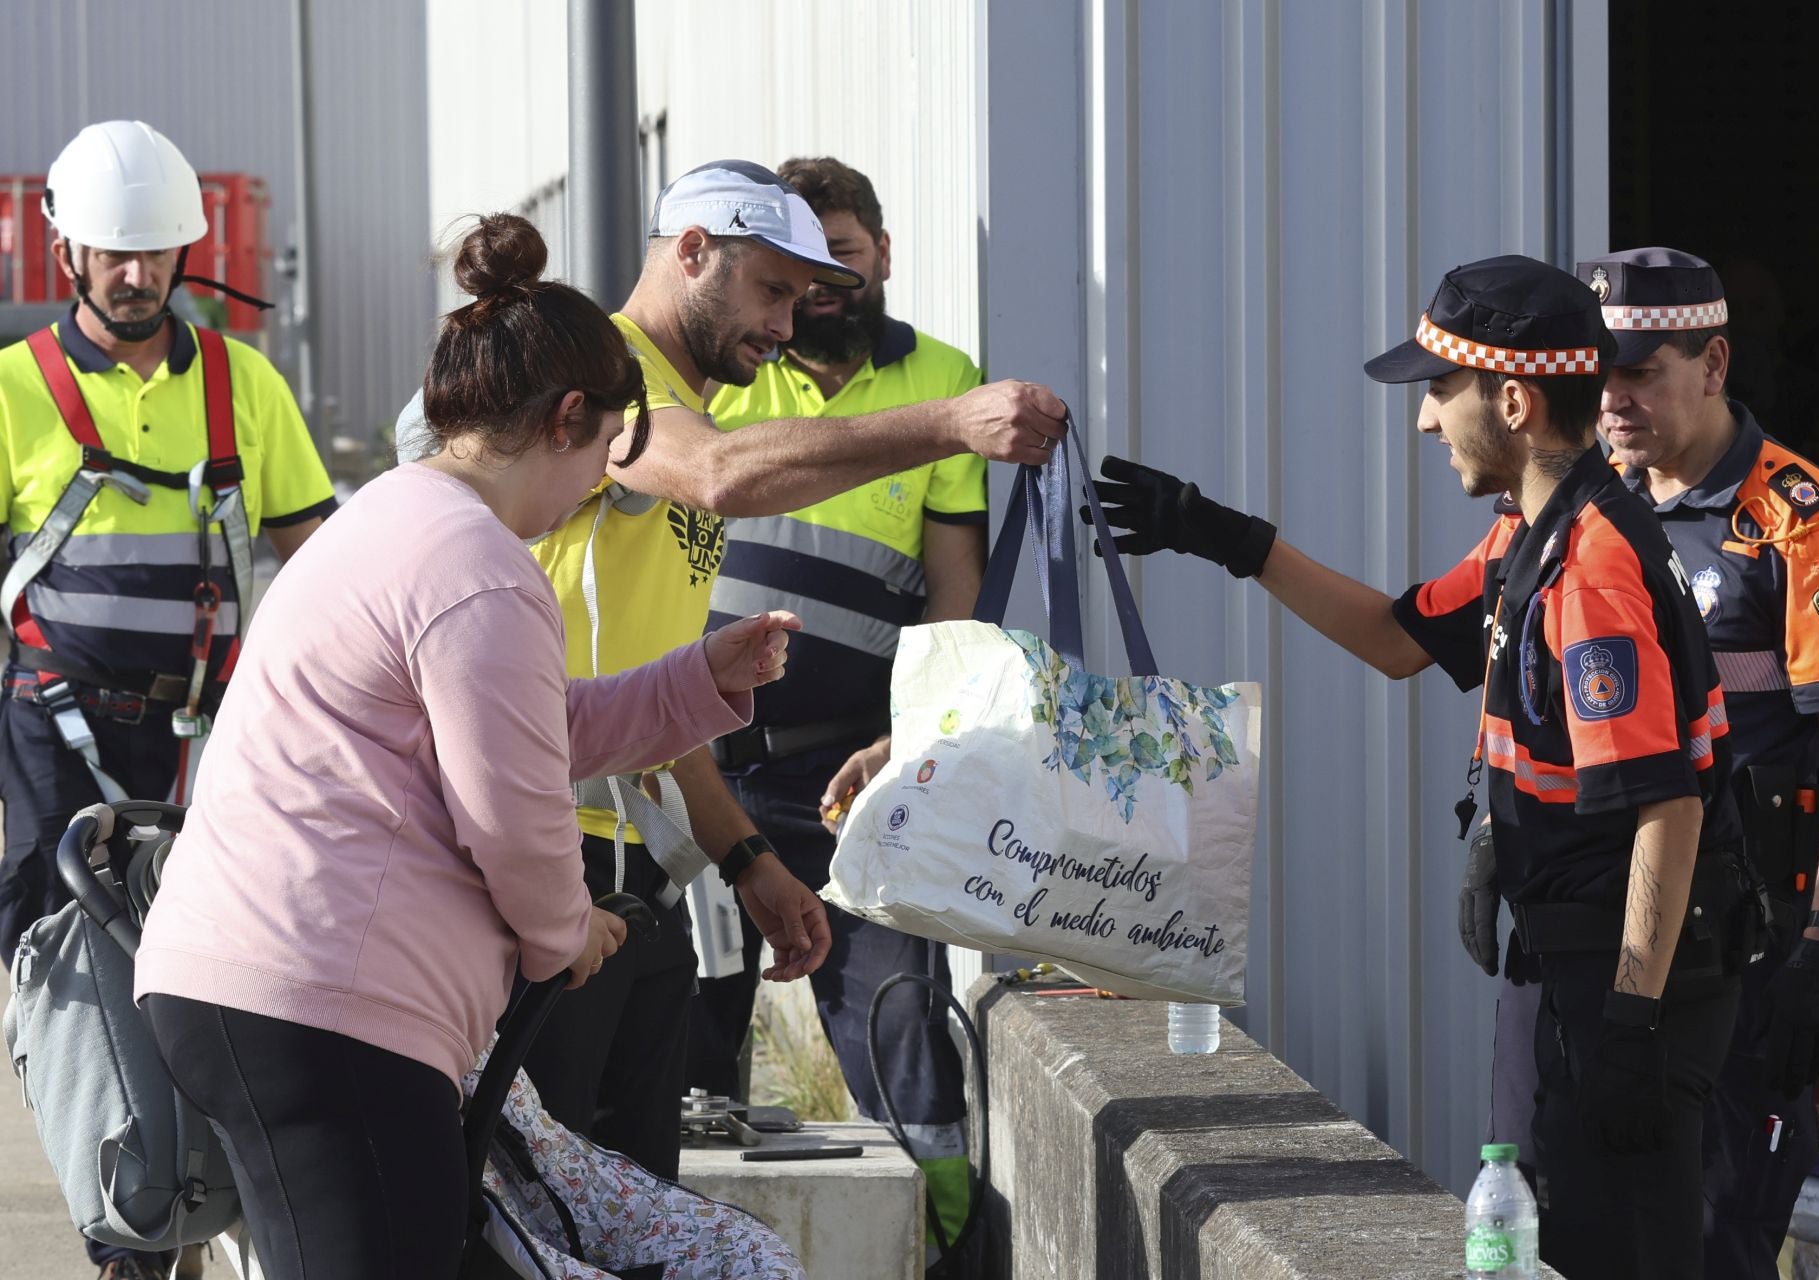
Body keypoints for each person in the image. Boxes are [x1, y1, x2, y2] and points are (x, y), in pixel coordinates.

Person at [133, 214, 798, 1279]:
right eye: (603, 456)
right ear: (568, 418)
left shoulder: (394, 516)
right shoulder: (478, 566)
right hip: (320, 999)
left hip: (263, 981)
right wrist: (563, 927)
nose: (594, 487)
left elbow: (532, 728)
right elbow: (514, 811)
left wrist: (695, 680)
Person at [392, 158, 1065, 1184]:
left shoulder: (679, 397)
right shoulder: (595, 375)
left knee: (634, 1198)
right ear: (693, 252)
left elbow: (650, 692)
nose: (789, 326)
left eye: (803, 298)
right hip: (534, 857)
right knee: (539, 1204)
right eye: (773, 291)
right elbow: (717, 472)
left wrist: (746, 857)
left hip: (635, 870)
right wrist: (945, 421)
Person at [1089, 255, 1752, 1280]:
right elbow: (1402, 637)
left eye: (1440, 390)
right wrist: (1230, 539)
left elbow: (1665, 805)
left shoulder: (1592, 570)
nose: (1425, 420)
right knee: (1534, 1231)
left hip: (1628, 979)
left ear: (1516, 399)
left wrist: (1629, 1021)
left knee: (1615, 1245)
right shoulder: (1533, 531)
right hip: (1571, 959)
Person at [1475, 248, 1819, 1277]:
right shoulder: (1575, 499)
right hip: (1595, 936)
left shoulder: (1795, 517)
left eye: (1641, 372)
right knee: (1557, 1212)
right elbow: (1499, 665)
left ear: (1714, 362)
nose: (1613, 399)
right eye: (1600, 373)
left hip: (1735, 944)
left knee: (1714, 1231)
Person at [0, 120, 335, 1280]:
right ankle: (123, 1223)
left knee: (214, 957)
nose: (136, 277)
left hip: (208, 723)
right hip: (56, 723)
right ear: (67, 256)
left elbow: (320, 555)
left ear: (186, 253)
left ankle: (194, 1188)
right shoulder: (12, 391)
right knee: (78, 965)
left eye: (154, 254)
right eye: (112, 255)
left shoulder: (245, 385)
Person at [686, 156, 983, 1245]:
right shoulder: (722, 369)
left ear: (883, 254)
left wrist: (906, 744)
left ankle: (938, 1243)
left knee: (896, 1024)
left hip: (851, 774)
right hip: (698, 766)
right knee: (685, 1043)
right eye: (792, 272)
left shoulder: (946, 378)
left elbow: (954, 609)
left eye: (841, 258)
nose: (816, 288)